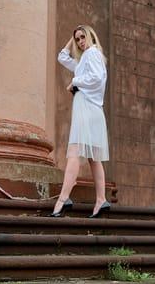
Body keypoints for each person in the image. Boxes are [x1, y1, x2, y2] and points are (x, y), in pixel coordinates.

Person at [50, 25, 110, 218]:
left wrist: (74, 82)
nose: (80, 42)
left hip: (87, 109)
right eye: (77, 39)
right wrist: (72, 36)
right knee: (94, 158)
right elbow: (62, 57)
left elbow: (97, 78)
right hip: (91, 110)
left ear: (91, 36)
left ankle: (63, 198)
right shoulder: (85, 58)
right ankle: (101, 200)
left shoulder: (91, 53)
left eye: (83, 37)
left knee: (75, 151)